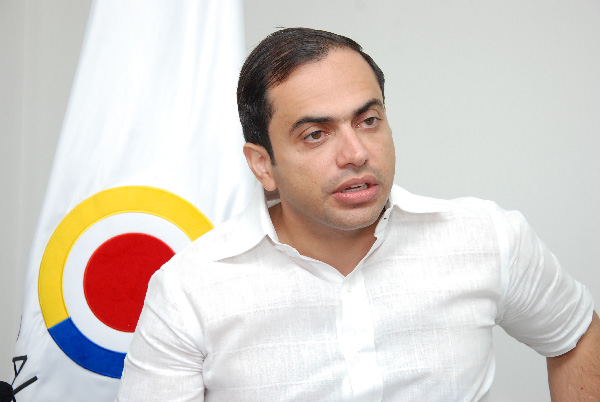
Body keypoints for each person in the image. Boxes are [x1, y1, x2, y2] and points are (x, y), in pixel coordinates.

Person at [116, 27, 599, 401]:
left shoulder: (486, 236)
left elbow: (576, 334)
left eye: (368, 121)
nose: (356, 153)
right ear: (263, 164)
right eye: (315, 134)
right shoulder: (188, 291)